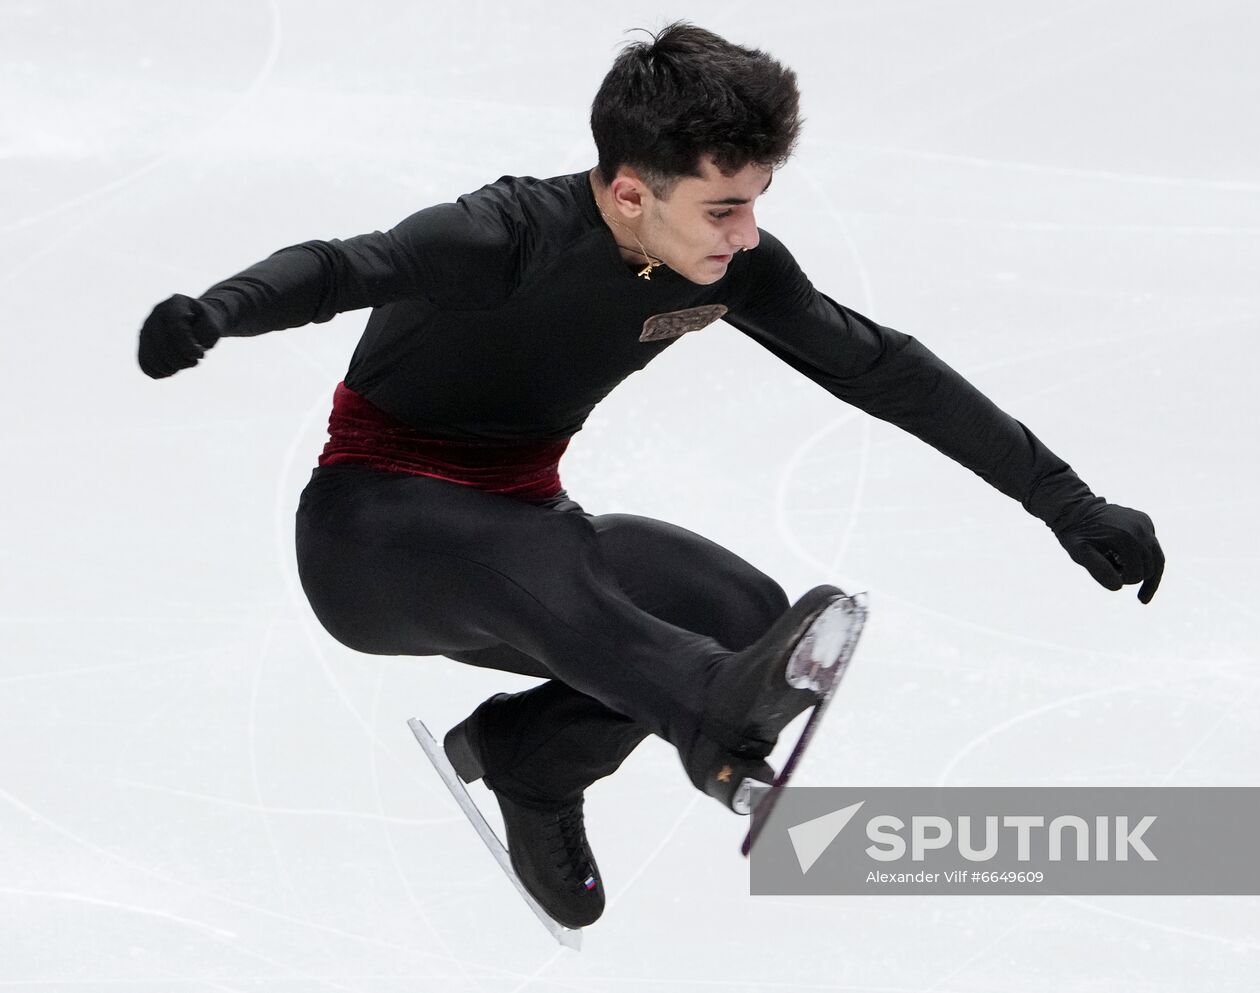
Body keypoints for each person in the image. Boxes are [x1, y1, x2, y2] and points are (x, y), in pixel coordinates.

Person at [136, 22, 1164, 929]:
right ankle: (709, 711)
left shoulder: (734, 268)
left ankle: (535, 760)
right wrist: (216, 311)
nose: (746, 233)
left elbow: (878, 366)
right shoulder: (503, 236)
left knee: (737, 609)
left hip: (526, 527)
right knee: (575, 579)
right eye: (722, 209)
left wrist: (1063, 500)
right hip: (372, 539)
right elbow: (340, 265)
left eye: (757, 202)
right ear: (630, 190)